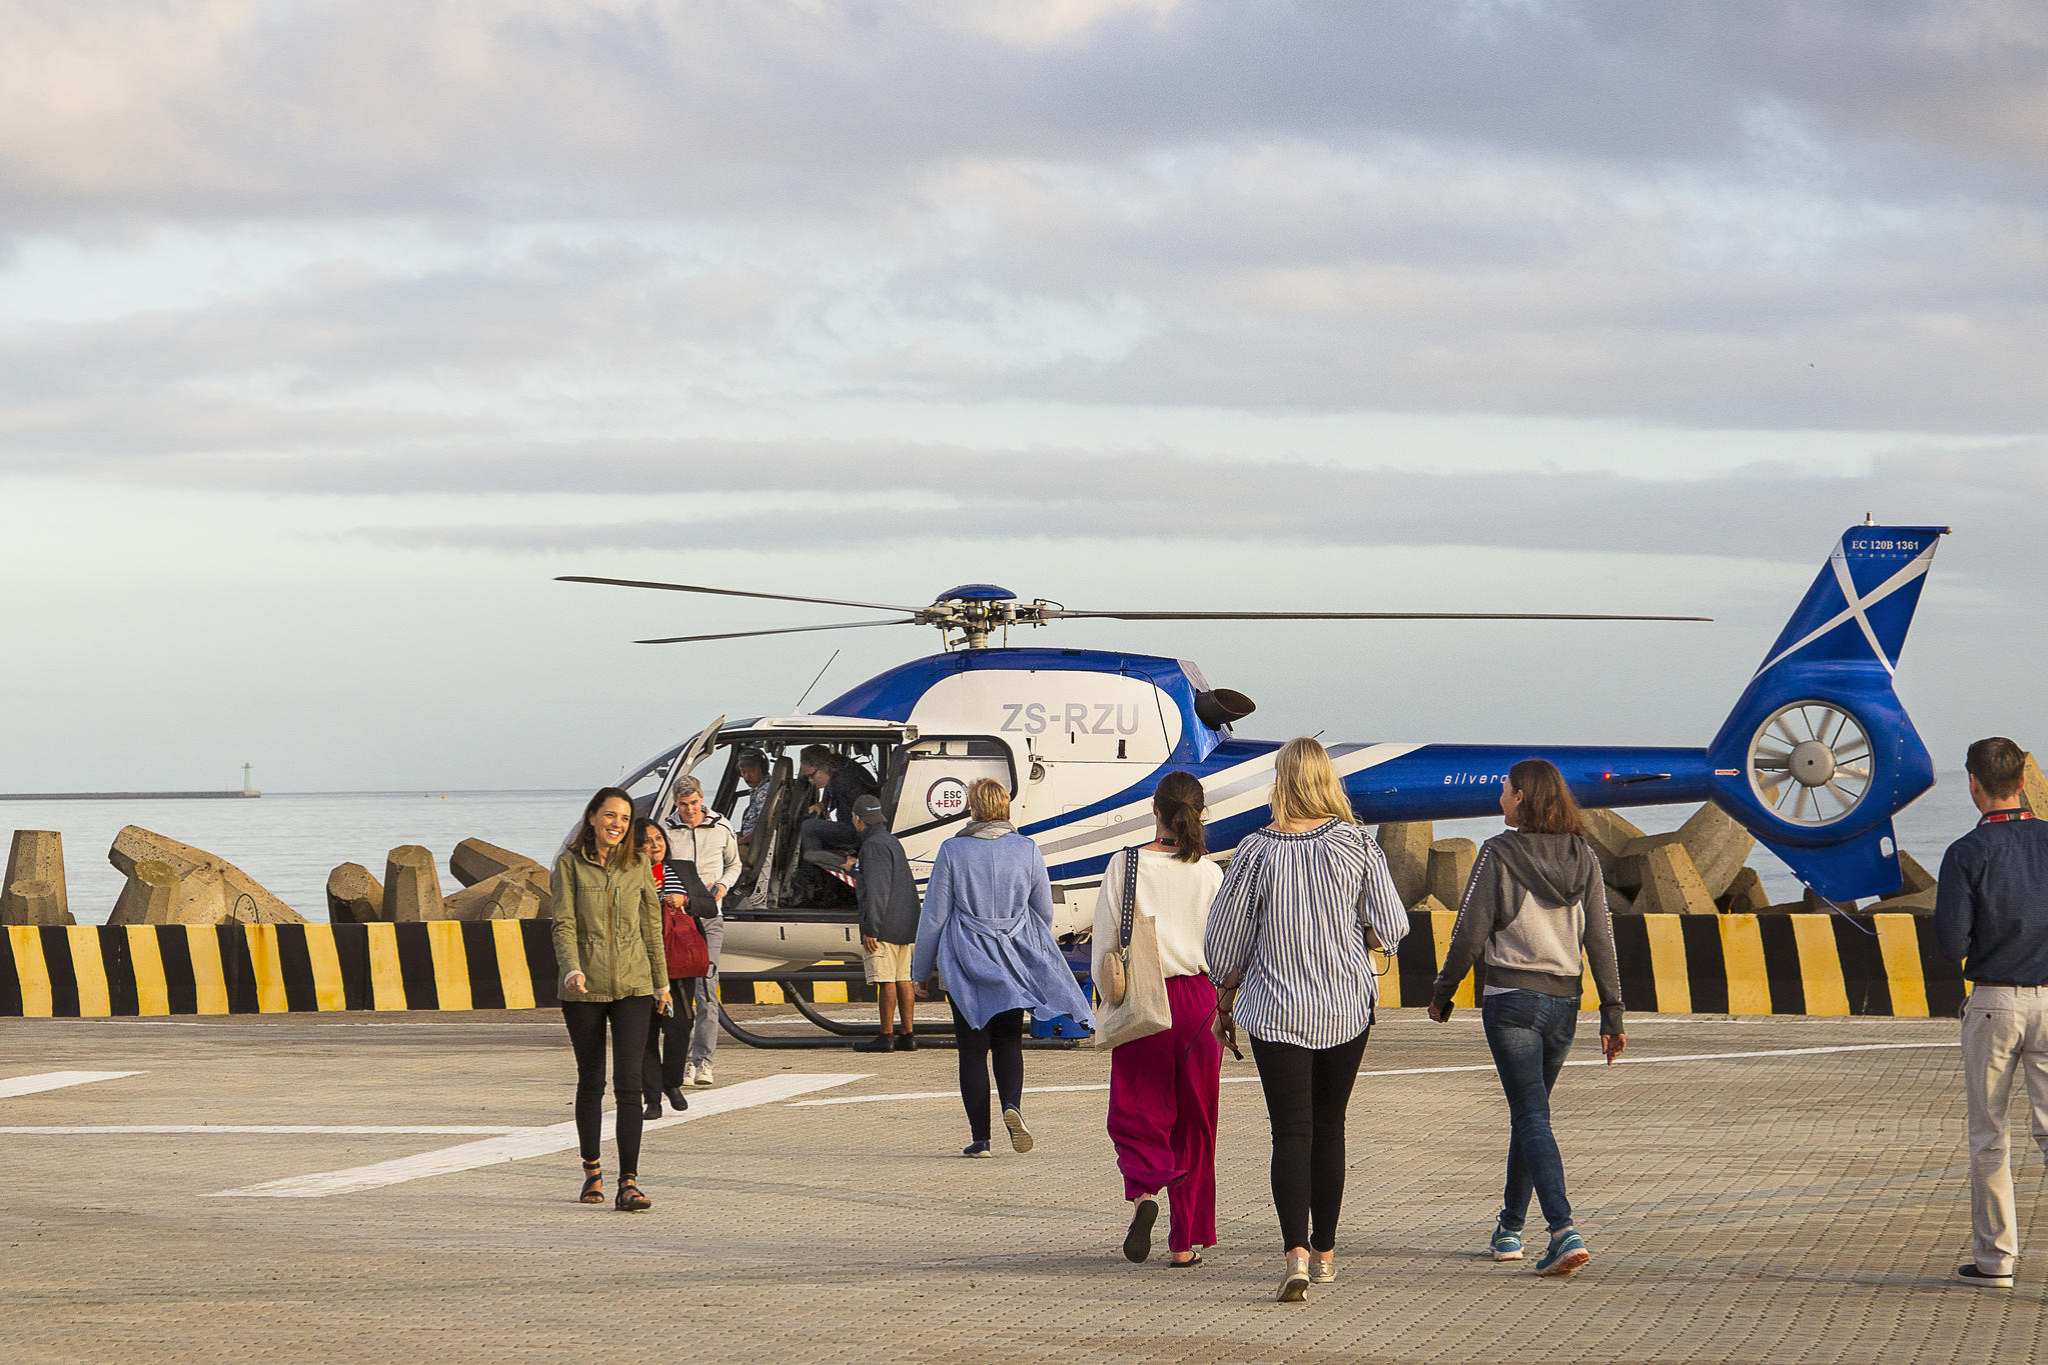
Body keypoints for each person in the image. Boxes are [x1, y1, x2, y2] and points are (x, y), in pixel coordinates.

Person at [1204, 737, 1408, 1302]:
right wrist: (1355, 935)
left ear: (1280, 782)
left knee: (1290, 1131)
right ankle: (1326, 1253)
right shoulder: (1358, 846)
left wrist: (1226, 991)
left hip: (1276, 1008)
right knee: (1330, 1126)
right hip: (1345, 1006)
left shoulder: (1254, 852)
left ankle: (1293, 1253)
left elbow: (1224, 944)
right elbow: (1392, 926)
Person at [1426, 758, 1625, 1280]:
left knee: (1531, 1114)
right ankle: (1510, 1229)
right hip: (1564, 1004)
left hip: (1513, 1000)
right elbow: (1600, 937)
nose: (1500, 799)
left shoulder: (1499, 852)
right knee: (1529, 1111)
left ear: (1522, 798)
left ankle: (1563, 1230)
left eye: (1505, 791)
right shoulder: (1583, 855)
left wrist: (1443, 992)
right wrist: (1612, 1012)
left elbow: (1469, 932)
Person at [913, 777, 1093, 1157]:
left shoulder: (952, 850)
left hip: (966, 958)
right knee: (1009, 1040)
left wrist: (920, 970)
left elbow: (935, 916)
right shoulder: (1027, 849)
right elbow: (1043, 910)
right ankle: (1012, 1105)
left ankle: (981, 1140)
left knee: (972, 1048)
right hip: (1013, 958)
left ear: (974, 808)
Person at [1093, 771, 1223, 1268]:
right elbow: (1224, 947)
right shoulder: (1210, 874)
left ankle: (1146, 1191)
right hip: (1199, 1003)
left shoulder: (1125, 865)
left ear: (1155, 809)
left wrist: (1107, 997)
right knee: (1196, 1121)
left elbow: (1106, 944)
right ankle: (1184, 1242)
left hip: (1144, 996)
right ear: (1200, 813)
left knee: (1138, 1108)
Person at [1935, 736, 2048, 1290]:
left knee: (1990, 1134)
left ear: (1973, 784)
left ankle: (1996, 1260)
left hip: (1994, 1002)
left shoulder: (1967, 852)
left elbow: (1951, 942)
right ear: (2023, 781)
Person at [550, 786, 670, 1212]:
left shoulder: (638, 864)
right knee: (591, 1080)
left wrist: (661, 983)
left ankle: (629, 1182)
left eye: (623, 818)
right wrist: (572, 968)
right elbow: (563, 923)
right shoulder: (569, 865)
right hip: (583, 989)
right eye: (609, 815)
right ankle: (592, 1171)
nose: (616, 824)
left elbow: (651, 925)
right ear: (592, 817)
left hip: (634, 986)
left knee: (629, 1085)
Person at [665, 775, 741, 1087]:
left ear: (702, 799)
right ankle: (681, 1061)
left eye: (694, 803)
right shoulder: (667, 830)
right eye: (684, 805)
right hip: (679, 920)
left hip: (710, 917)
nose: (690, 810)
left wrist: (723, 885)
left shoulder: (721, 826)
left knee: (707, 988)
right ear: (676, 803)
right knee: (680, 993)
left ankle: (704, 1061)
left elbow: (734, 864)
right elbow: (659, 868)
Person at [849, 793, 922, 1054]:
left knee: (886, 980)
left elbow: (878, 890)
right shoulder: (891, 841)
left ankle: (886, 1035)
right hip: (905, 923)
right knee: (903, 979)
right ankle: (908, 1035)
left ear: (858, 820)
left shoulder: (872, 846)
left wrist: (871, 928)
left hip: (885, 926)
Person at [638, 819, 698, 1120]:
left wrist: (684, 900)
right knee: (643, 1034)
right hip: (639, 965)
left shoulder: (682, 869)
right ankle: (652, 1099)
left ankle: (671, 1082)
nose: (655, 845)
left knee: (680, 1025)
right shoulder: (628, 875)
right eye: (647, 841)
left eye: (658, 838)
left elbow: (707, 906)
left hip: (677, 963)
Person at [796, 744, 876, 888]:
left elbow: (859, 817)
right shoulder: (840, 770)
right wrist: (822, 805)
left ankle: (812, 880)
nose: (811, 781)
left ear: (823, 768)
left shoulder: (845, 781)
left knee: (808, 826)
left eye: (811, 776)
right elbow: (831, 792)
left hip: (860, 831)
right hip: (855, 827)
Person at [735, 749, 772, 855]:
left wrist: (737, 842)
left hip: (754, 847)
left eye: (751, 771)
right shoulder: (758, 789)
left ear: (762, 770)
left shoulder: (765, 791)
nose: (747, 777)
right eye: (743, 772)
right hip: (749, 841)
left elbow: (762, 829)